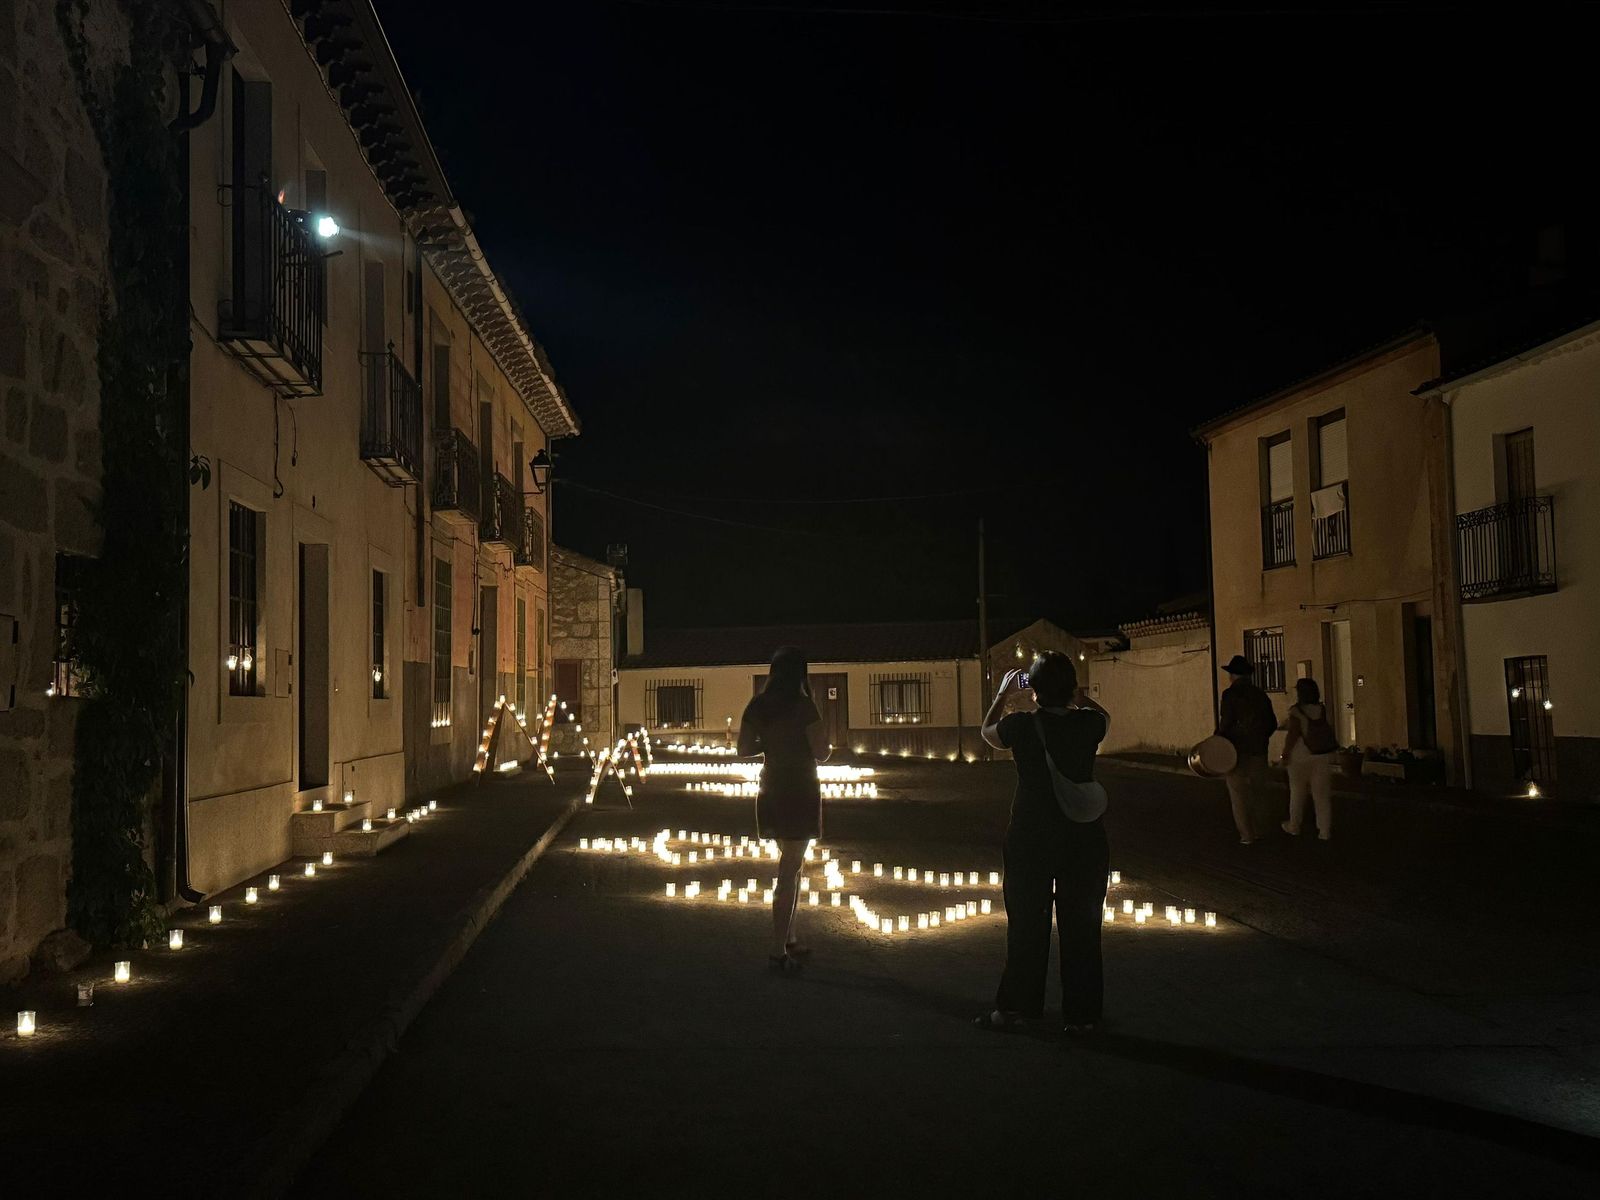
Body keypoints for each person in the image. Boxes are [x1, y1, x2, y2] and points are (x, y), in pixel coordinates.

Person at [974, 650, 1111, 1034]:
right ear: (1072, 688)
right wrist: (1078, 697)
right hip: (1083, 837)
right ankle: (1082, 1017)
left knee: (1026, 924)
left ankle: (1017, 1008)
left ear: (1033, 689)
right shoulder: (1088, 723)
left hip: (1031, 835)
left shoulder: (1020, 725)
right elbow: (1105, 718)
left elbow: (988, 733)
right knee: (1083, 926)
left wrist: (1002, 694)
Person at [737, 646, 830, 974]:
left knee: (792, 862)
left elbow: (743, 748)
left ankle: (789, 936)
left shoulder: (758, 705)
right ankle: (778, 951)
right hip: (799, 789)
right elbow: (822, 752)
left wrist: (770, 744)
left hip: (772, 787)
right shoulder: (804, 707)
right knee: (790, 867)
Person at [1217, 654, 1278, 845]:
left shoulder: (1230, 695)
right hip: (1259, 750)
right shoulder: (1261, 695)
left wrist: (1218, 740)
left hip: (1235, 751)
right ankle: (1260, 830)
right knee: (1259, 792)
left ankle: (1246, 835)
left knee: (1238, 794)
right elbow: (1272, 723)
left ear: (1233, 675)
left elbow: (1226, 722)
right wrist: (1261, 737)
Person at [1279, 677, 1336, 840]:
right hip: (1320, 753)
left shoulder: (1296, 711)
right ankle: (1324, 830)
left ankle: (1294, 825)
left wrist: (1285, 754)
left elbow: (1292, 735)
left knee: (1297, 792)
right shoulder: (1322, 709)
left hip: (1299, 755)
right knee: (1321, 794)